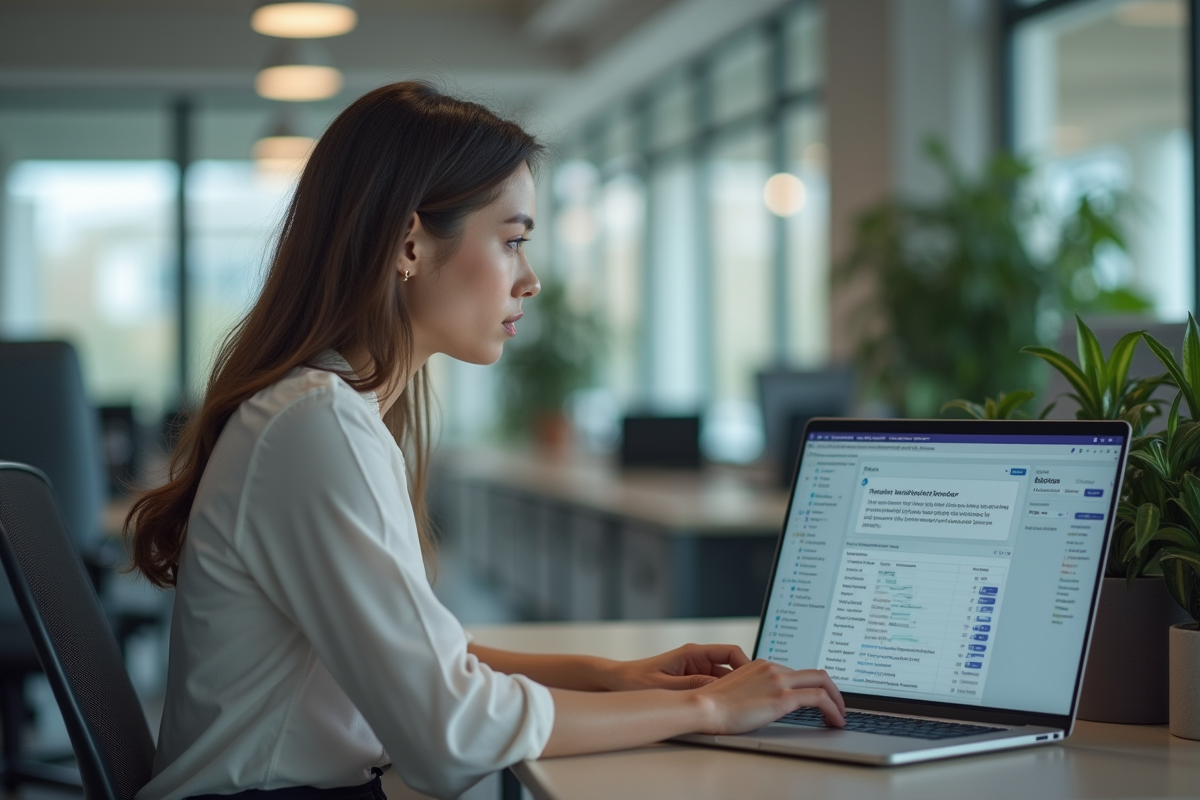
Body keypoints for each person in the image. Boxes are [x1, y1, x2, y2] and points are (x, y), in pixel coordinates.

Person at [127, 82, 845, 800]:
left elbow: (423, 664)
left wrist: (612, 677)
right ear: (409, 243)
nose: (529, 280)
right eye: (512, 241)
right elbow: (450, 733)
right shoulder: (316, 425)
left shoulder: (322, 412)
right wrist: (710, 707)